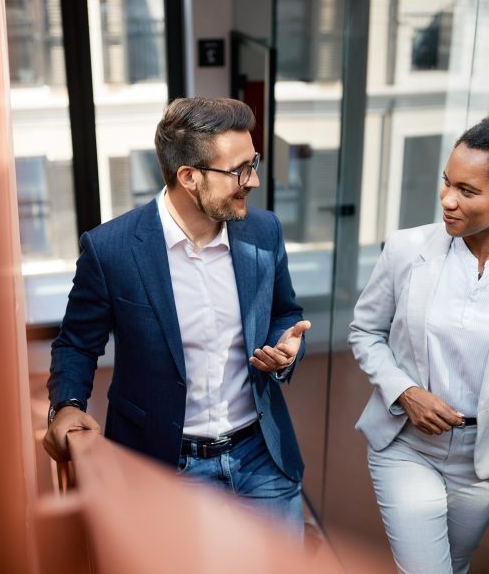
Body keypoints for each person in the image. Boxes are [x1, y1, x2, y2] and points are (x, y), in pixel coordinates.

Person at [43, 97, 311, 534]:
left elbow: (285, 311)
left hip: (262, 457)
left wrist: (287, 347)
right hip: (164, 465)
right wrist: (68, 405)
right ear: (189, 177)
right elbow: (76, 344)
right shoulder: (111, 250)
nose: (254, 180)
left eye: (254, 162)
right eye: (239, 170)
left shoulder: (265, 231)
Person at [349, 91, 489, 573]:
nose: (448, 200)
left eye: (468, 191)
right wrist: (405, 390)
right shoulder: (408, 249)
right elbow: (365, 332)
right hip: (404, 445)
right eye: (447, 183)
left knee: (457, 564)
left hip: (481, 464)